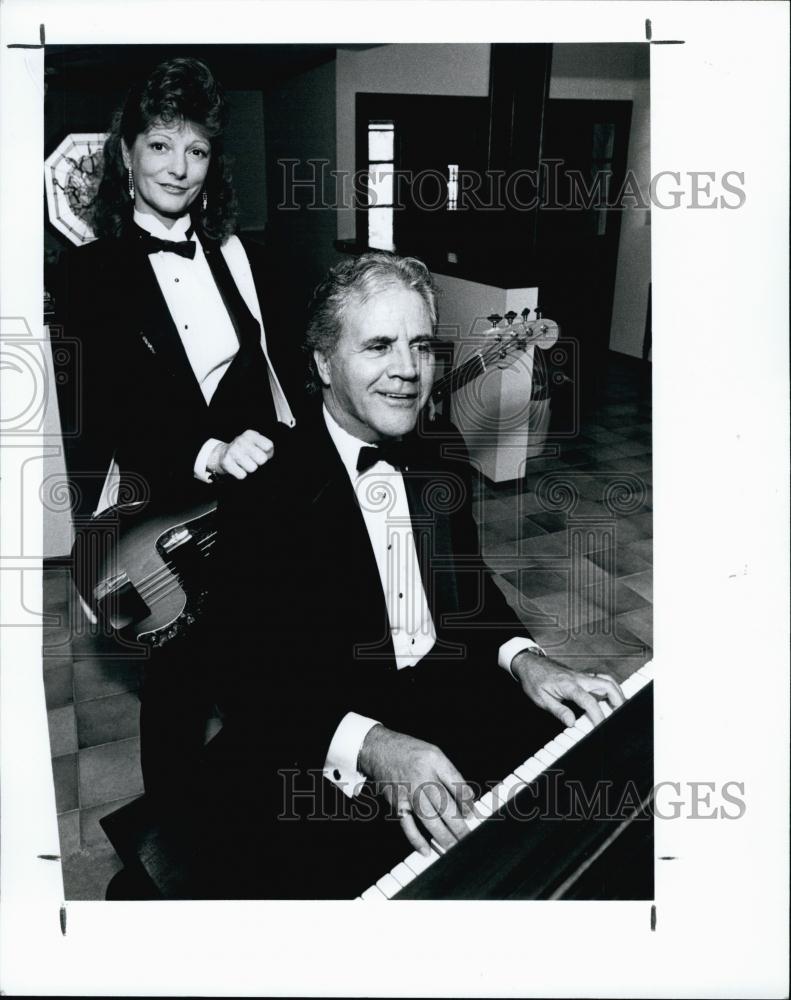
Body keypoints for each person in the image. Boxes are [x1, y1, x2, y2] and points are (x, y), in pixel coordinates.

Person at [103, 252, 624, 899]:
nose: (407, 370)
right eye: (378, 345)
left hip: (443, 686)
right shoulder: (266, 484)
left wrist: (526, 659)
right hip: (322, 723)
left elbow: (465, 588)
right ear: (322, 363)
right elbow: (243, 673)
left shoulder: (440, 453)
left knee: (577, 810)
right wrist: (374, 747)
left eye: (419, 345)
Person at [59, 57, 298, 802]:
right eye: (161, 145)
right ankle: (169, 837)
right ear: (126, 153)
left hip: (248, 494)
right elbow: (112, 406)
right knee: (180, 682)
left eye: (196, 149)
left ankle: (254, 808)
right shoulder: (89, 272)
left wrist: (287, 437)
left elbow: (259, 360)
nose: (179, 166)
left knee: (265, 657)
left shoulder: (231, 250)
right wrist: (207, 452)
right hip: (164, 503)